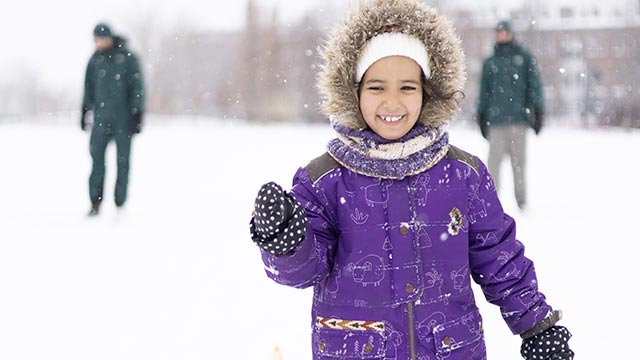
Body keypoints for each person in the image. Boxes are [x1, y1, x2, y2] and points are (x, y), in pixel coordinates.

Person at [248, 1, 573, 359]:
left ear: (427, 92)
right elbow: (302, 271)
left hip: (449, 348)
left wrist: (537, 325)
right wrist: (284, 242)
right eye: (376, 88)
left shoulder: (464, 175)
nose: (392, 102)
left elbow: (500, 259)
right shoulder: (324, 179)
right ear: (353, 91)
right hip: (359, 349)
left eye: (407, 87)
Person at [476, 20, 544, 211]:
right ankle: (492, 203)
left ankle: (521, 201)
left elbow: (534, 86)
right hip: (496, 122)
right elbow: (484, 91)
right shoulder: (491, 62)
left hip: (518, 121)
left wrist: (537, 110)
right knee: (494, 164)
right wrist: (481, 115)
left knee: (519, 163)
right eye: (499, 32)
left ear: (511, 34)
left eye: (506, 32)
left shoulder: (523, 58)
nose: (503, 35)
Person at [81, 23, 144, 216]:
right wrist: (84, 112)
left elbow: (137, 87)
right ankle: (95, 202)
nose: (98, 43)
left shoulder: (127, 58)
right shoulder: (94, 61)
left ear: (109, 38)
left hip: (123, 118)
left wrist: (137, 113)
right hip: (100, 118)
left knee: (122, 161)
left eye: (100, 39)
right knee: (97, 160)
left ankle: (120, 203)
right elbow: (88, 89)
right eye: (95, 40)